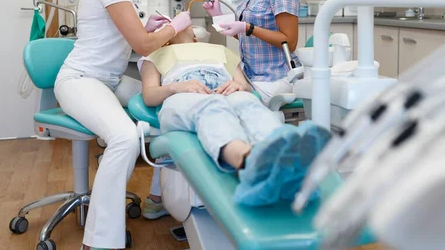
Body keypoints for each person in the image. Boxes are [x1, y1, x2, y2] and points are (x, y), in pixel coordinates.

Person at [54, 0, 192, 250]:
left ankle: (158, 197)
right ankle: (99, 242)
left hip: (108, 80)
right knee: (125, 139)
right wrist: (174, 26)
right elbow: (142, 45)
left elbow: (128, 34)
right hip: (81, 80)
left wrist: (148, 28)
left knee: (167, 110)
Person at [138, 25, 331, 206]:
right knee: (212, 106)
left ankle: (288, 159)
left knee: (249, 104)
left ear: (196, 37)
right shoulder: (156, 55)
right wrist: (175, 87)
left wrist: (240, 86)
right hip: (183, 96)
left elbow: (243, 84)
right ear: (165, 40)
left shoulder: (220, 50)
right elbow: (149, 95)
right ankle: (247, 162)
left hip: (227, 93)